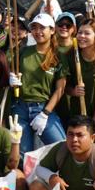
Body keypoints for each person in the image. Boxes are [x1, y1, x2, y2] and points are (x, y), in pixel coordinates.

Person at [13, 13, 67, 152]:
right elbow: (12, 72)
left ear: (52, 30)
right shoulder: (23, 51)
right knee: (23, 156)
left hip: (43, 108)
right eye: (34, 28)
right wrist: (11, 79)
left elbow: (60, 89)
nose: (38, 32)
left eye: (42, 28)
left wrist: (45, 114)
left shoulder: (58, 56)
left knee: (63, 148)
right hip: (20, 108)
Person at [60, 18, 95, 134]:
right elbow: (64, 86)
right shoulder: (70, 56)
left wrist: (94, 122)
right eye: (80, 32)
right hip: (77, 115)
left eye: (87, 33)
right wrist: (73, 91)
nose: (82, 36)